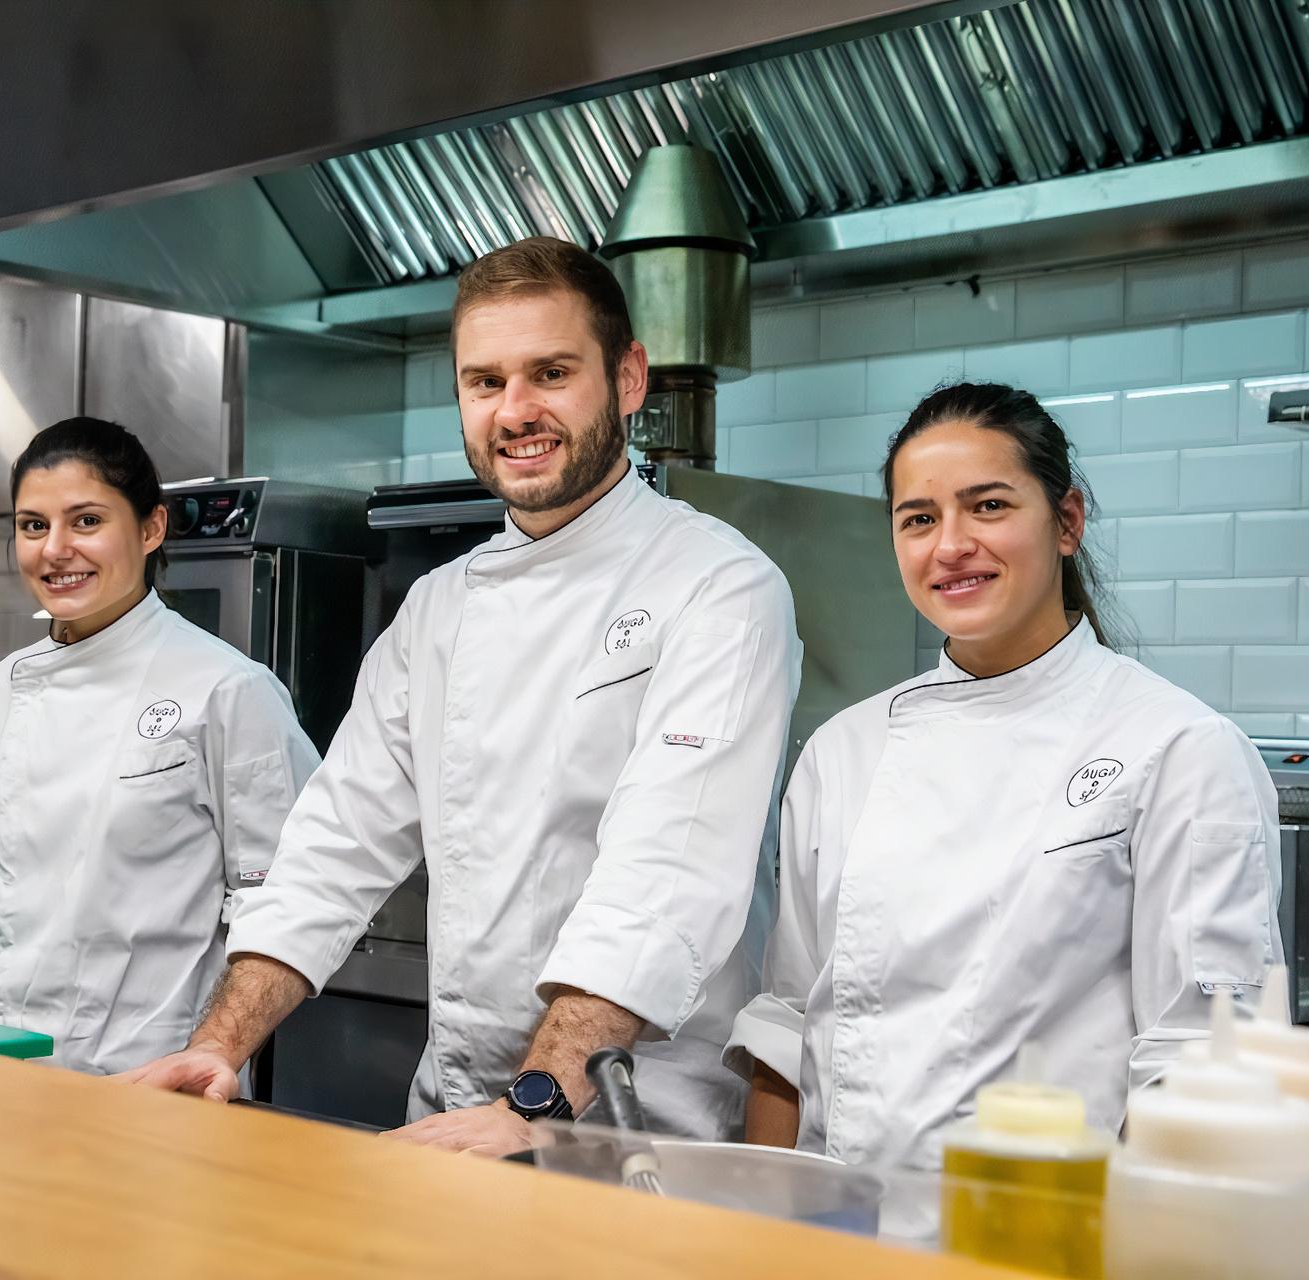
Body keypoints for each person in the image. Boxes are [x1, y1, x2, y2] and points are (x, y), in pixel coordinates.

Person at [118, 238, 801, 1155]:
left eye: (551, 373)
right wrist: (217, 1046)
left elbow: (663, 882)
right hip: (458, 1115)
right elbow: (334, 844)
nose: (515, 411)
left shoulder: (719, 586)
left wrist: (535, 1106)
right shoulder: (439, 606)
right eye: (485, 383)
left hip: (638, 1131)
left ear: (629, 378)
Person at [730, 382, 1281, 1170]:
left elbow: (1200, 1065)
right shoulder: (842, 751)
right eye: (918, 518)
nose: (949, 545)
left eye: (987, 506)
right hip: (838, 1230)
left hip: (1049, 1238)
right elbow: (786, 1024)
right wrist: (762, 1229)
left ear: (1067, 522)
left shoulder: (1180, 749)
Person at [0, 416, 321, 1075]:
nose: (55, 550)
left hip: (149, 1076)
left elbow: (293, 892)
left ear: (151, 528)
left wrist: (216, 1048)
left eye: (87, 521)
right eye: (33, 526)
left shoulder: (227, 688)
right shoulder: (3, 689)